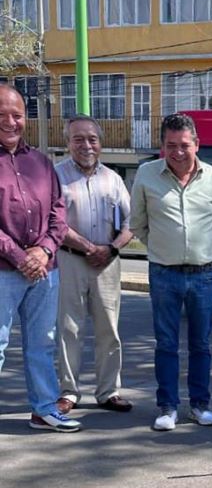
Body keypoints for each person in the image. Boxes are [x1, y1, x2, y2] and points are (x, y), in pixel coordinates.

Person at [130, 113, 212, 431]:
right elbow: (138, 223)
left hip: (203, 274)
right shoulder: (146, 175)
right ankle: (168, 407)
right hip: (164, 273)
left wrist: (205, 251)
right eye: (171, 145)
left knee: (201, 344)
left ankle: (200, 405)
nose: (178, 152)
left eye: (184, 145)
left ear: (196, 144)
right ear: (162, 146)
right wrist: (163, 247)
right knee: (166, 344)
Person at [0, 83, 80, 433]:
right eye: (2, 115)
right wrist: (21, 257)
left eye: (17, 115)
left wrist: (45, 249)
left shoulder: (42, 162)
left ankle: (44, 409)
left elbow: (59, 214)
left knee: (42, 343)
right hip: (4, 270)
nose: (11, 122)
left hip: (45, 271)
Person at [55, 115, 134, 415]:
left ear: (100, 143)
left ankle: (108, 391)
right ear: (68, 143)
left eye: (92, 139)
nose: (86, 145)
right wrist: (89, 247)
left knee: (109, 330)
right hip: (69, 260)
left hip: (107, 263)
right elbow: (55, 223)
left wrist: (111, 249)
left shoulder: (113, 179)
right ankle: (68, 392)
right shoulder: (56, 175)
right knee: (68, 329)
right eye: (78, 139)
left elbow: (131, 223)